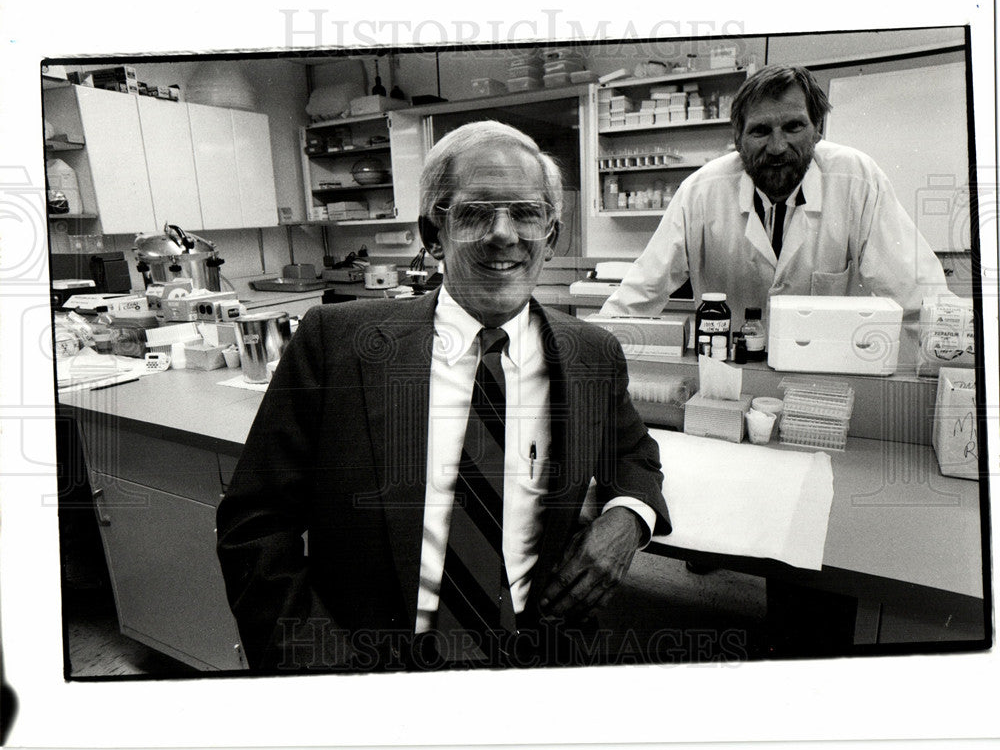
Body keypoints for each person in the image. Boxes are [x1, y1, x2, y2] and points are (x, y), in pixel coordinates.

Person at [216, 120, 671, 672]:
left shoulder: (591, 352)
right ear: (433, 234)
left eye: (526, 213)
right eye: (476, 212)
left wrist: (626, 520)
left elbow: (634, 455)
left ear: (550, 236)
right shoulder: (335, 343)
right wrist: (322, 672)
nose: (504, 234)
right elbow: (255, 525)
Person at [599, 65, 952, 324]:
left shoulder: (857, 180)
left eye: (794, 126)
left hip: (825, 370)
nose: (778, 146)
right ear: (737, 140)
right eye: (760, 131)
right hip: (729, 370)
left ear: (817, 131)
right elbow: (636, 297)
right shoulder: (700, 192)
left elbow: (920, 298)